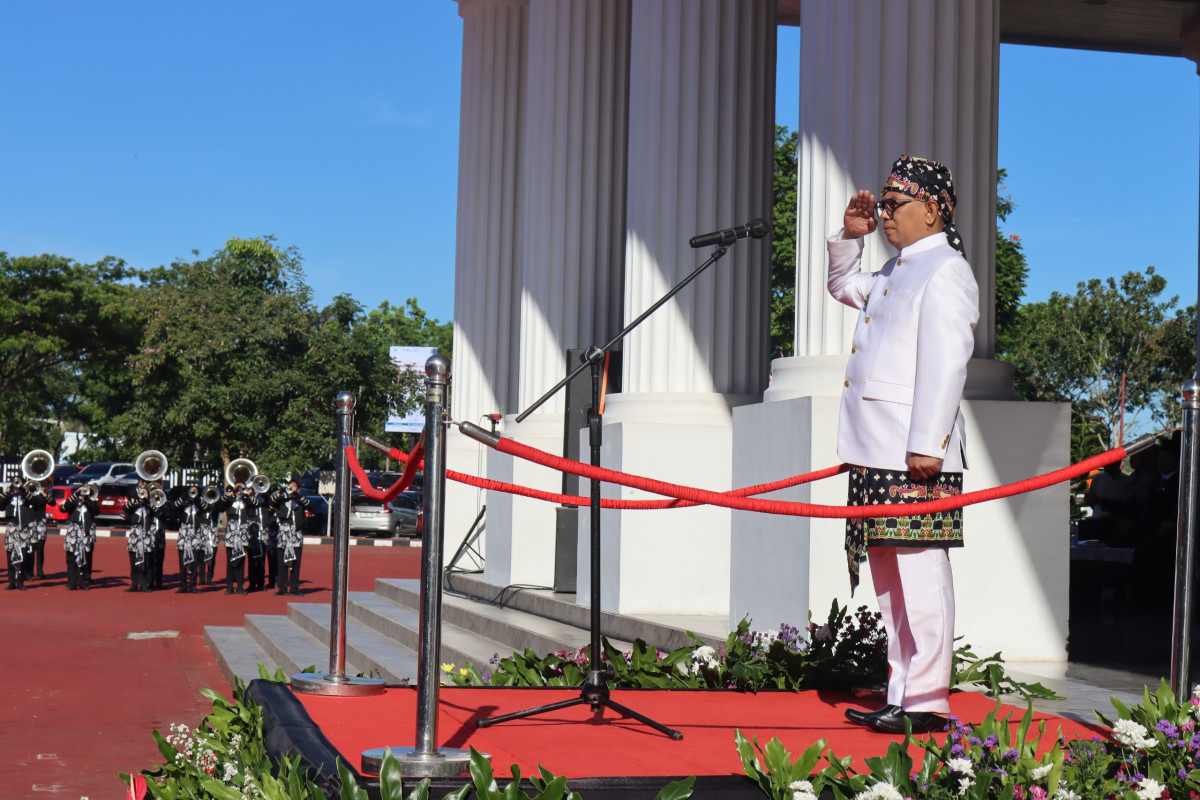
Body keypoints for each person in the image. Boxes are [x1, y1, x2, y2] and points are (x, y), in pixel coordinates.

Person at [829, 155, 980, 735]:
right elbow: (844, 283)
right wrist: (850, 236)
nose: (886, 215)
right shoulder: (895, 269)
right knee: (889, 582)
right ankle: (901, 692)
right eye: (884, 206)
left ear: (933, 208)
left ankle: (928, 699)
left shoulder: (945, 269)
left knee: (920, 578)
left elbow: (947, 364)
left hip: (914, 453)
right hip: (875, 448)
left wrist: (929, 443)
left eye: (896, 206)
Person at [0, 479, 42, 590]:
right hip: (12, 529)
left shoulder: (27, 499)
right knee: (10, 556)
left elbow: (38, 503)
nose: (17, 488)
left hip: (24, 529)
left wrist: (24, 490)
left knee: (23, 556)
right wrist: (8, 493)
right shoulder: (9, 499)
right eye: (15, 486)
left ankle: (21, 581)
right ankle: (11, 582)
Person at [275, 479, 310, 595]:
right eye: (289, 487)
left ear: (298, 489)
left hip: (296, 534)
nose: (291, 489)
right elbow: (272, 503)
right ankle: (282, 588)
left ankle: (294, 588)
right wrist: (281, 492)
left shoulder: (300, 501)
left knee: (296, 562)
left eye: (293, 487)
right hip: (283, 534)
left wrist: (297, 496)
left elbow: (309, 505)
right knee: (281, 562)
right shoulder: (282, 500)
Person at [61, 486, 99, 590]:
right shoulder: (74, 501)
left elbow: (96, 511)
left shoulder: (91, 501)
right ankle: (71, 581)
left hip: (86, 531)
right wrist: (75, 496)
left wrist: (87, 499)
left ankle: (83, 581)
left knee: (85, 556)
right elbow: (64, 508)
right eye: (82, 491)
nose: (83, 493)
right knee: (71, 557)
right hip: (74, 530)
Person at [223, 483, 256, 594]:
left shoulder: (246, 501)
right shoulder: (230, 500)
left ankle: (240, 586)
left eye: (241, 488)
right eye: (238, 488)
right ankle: (229, 585)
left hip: (243, 534)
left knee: (241, 559)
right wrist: (232, 492)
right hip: (231, 535)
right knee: (230, 560)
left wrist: (247, 496)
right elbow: (220, 504)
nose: (239, 490)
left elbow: (253, 508)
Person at [173, 486, 204, 593]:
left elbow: (206, 508)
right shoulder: (183, 502)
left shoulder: (200, 502)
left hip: (196, 534)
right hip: (184, 534)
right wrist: (185, 498)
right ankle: (183, 585)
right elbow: (174, 507)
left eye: (194, 491)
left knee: (195, 561)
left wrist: (196, 500)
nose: (193, 492)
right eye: (191, 490)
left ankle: (192, 585)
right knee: (182, 561)